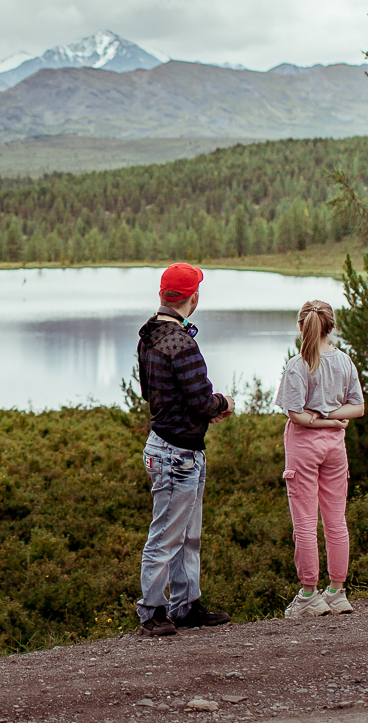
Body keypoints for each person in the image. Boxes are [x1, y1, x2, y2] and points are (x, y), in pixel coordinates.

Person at [134, 262, 234, 637]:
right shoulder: (183, 343)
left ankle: (186, 606)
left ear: (163, 295)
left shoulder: (148, 337)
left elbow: (151, 393)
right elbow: (200, 401)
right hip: (178, 454)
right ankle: (152, 613)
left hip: (169, 448)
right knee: (165, 536)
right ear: (192, 297)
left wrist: (201, 410)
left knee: (186, 536)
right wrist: (223, 404)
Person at [277, 299, 364, 618]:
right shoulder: (344, 361)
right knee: (336, 520)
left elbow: (296, 415)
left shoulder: (298, 364)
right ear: (332, 327)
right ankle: (338, 591)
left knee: (304, 522)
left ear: (302, 326)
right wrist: (334, 420)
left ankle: (309, 594)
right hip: (335, 449)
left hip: (304, 449)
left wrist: (320, 416)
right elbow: (358, 407)